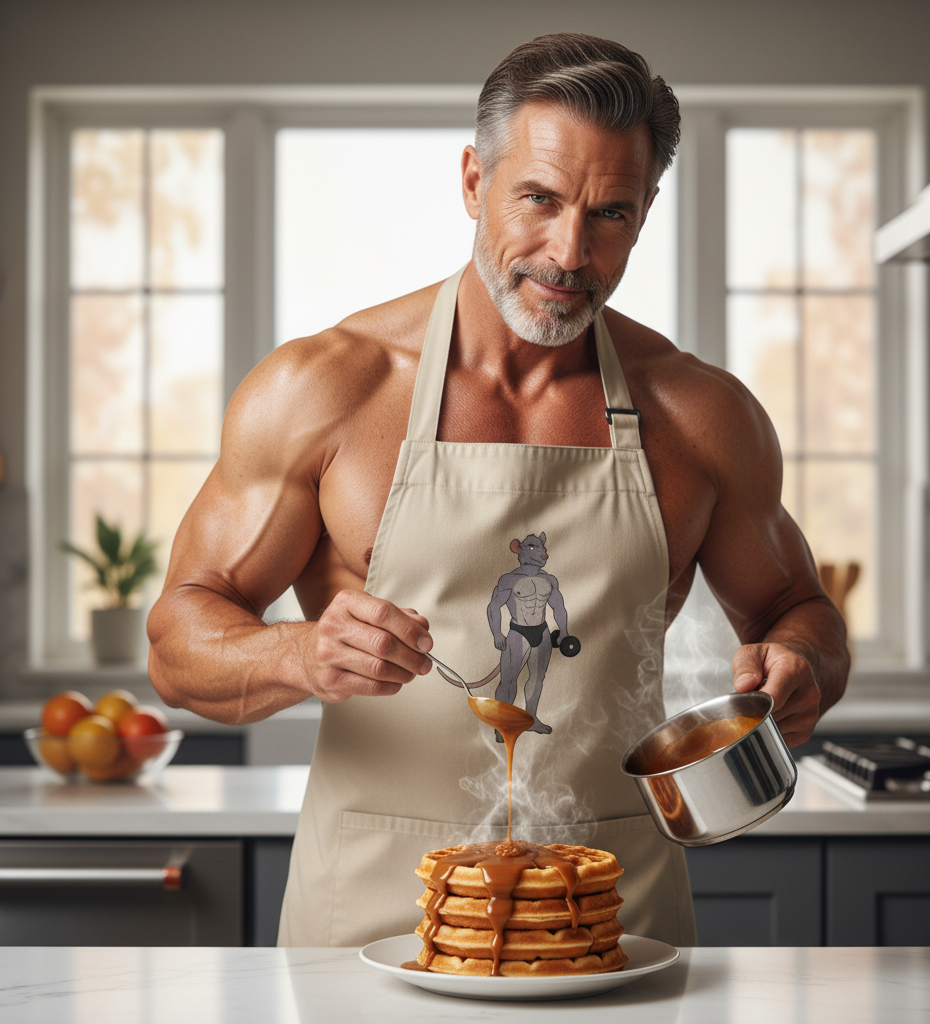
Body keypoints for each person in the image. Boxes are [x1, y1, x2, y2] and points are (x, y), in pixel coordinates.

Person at [148, 33, 849, 948]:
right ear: (475, 181)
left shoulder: (701, 415)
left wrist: (802, 663)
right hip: (369, 911)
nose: (569, 252)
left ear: (645, 213)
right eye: (540, 199)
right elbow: (176, 645)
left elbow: (800, 610)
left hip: (611, 919)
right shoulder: (326, 388)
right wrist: (300, 653)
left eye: (610, 213)